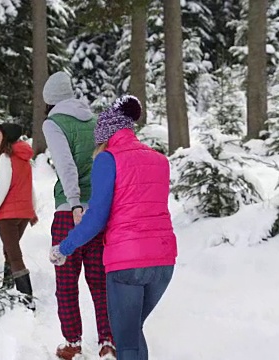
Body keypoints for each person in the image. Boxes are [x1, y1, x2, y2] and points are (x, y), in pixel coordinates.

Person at [50, 95, 178, 360]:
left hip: (127, 264)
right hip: (164, 263)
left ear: (106, 136)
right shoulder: (159, 160)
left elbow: (97, 219)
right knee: (131, 331)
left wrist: (64, 246)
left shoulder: (108, 160)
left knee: (127, 339)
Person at [41, 71, 115, 360]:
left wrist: (73, 203)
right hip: (98, 210)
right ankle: (107, 341)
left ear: (50, 99)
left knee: (66, 278)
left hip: (69, 212)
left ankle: (72, 342)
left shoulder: (54, 123)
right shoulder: (94, 121)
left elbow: (65, 165)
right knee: (99, 279)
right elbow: (104, 162)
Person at [0, 123, 39, 309]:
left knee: (14, 254)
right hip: (22, 213)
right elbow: (30, 185)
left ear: (6, 136)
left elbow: (2, 187)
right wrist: (32, 210)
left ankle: (27, 298)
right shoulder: (23, 157)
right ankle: (7, 286)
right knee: (9, 249)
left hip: (8, 214)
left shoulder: (6, 157)